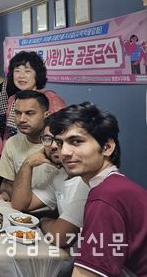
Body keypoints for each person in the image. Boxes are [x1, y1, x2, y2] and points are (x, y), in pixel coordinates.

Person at [51, 103, 147, 277]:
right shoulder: (115, 185)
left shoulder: (106, 197)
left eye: (76, 141)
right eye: (59, 143)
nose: (64, 152)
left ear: (107, 147)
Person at [11, 118, 89, 247]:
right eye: (48, 138)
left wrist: (44, 221)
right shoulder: (60, 175)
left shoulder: (86, 180)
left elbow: (60, 237)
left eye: (59, 139)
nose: (53, 146)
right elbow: (20, 204)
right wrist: (27, 164)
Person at [0, 90, 60, 201]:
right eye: (18, 113)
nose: (22, 119)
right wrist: (7, 195)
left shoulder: (58, 146)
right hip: (19, 207)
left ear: (46, 115)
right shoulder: (12, 143)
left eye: (30, 113)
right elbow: (6, 184)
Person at [5, 51, 65, 137]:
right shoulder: (12, 99)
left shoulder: (51, 98)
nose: (21, 76)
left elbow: (61, 131)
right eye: (17, 71)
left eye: (27, 71)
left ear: (37, 74)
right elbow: (8, 132)